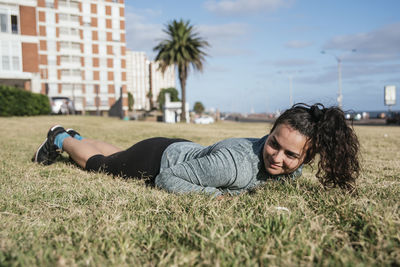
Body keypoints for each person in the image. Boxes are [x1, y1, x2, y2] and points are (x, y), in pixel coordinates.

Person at [32, 103, 360, 196]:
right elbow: (167, 181)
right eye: (274, 144)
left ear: (308, 156)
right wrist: (220, 198)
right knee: (101, 163)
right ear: (269, 132)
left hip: (178, 149)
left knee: (118, 152)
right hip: (158, 160)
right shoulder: (233, 166)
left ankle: (74, 134)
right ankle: (60, 137)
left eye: (291, 155)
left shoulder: (292, 162)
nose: (277, 157)